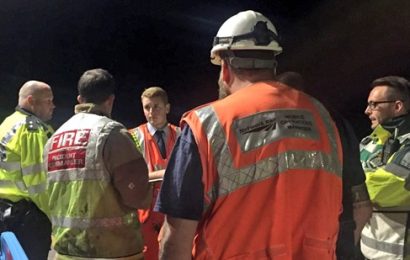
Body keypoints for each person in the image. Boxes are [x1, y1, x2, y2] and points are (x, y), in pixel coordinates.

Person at [155, 10, 344, 259]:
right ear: (273, 64)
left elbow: (175, 238)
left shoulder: (207, 123)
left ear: (224, 68)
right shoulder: (321, 116)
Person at [44, 68, 151, 259]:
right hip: (112, 252)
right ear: (110, 100)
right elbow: (138, 196)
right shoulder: (111, 134)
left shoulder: (54, 138)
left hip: (65, 253)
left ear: (79, 99)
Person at [276, 71, 372, 259]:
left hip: (284, 238)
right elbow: (362, 203)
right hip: (334, 233)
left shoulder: (270, 125)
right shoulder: (335, 123)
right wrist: (343, 245)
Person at [0, 80, 54, 259]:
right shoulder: (32, 129)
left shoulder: (8, 123)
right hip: (27, 219)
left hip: (5, 213)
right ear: (31, 100)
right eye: (48, 101)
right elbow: (39, 183)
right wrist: (56, 218)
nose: (52, 106)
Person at [360, 76, 410, 259]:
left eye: (374, 104)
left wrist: (349, 184)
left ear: (397, 106)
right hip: (369, 251)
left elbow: (380, 189)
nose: (367, 111)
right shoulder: (371, 141)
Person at [128, 86, 180, 260]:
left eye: (156, 106)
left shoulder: (182, 135)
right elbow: (129, 177)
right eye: (147, 107)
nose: (151, 112)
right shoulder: (133, 137)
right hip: (146, 215)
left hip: (175, 211)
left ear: (167, 108)